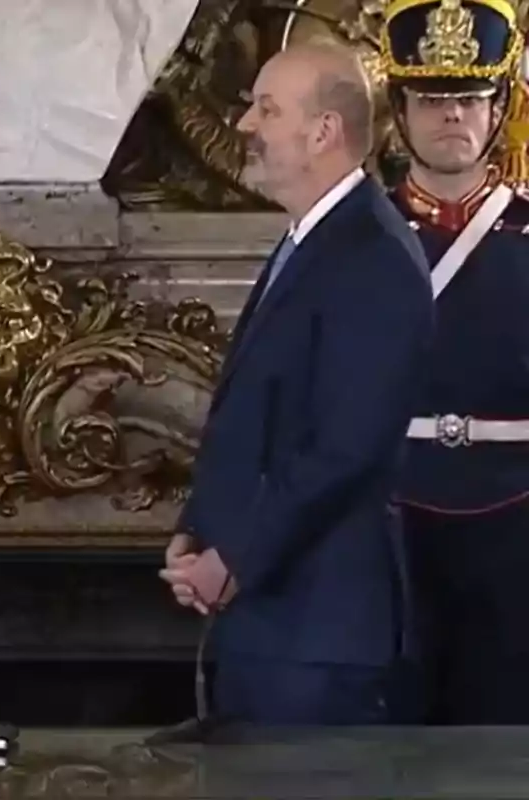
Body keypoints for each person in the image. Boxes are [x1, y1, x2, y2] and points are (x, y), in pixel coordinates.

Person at [158, 42, 436, 725]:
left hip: (320, 636)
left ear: (323, 132)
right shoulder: (313, 240)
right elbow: (258, 416)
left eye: (267, 108)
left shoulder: (372, 255)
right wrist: (198, 530)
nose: (246, 125)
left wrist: (237, 557)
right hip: (276, 626)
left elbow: (344, 449)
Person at [379, 0, 529, 724]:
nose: (451, 116)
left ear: (499, 107)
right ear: (399, 108)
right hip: (388, 517)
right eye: (432, 98)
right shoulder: (355, 238)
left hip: (518, 521)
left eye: (469, 98)